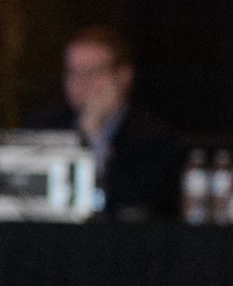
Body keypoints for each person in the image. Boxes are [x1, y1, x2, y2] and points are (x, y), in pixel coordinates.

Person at [30, 25, 183, 220]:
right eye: (73, 72)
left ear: (124, 76)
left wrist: (94, 136)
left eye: (92, 72)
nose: (80, 82)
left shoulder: (155, 137)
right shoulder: (44, 127)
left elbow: (138, 201)